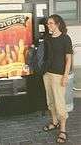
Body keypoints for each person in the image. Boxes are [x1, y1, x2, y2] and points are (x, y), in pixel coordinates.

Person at [43, 14, 73, 144]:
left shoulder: (65, 39)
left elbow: (68, 59)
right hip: (47, 74)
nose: (48, 25)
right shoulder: (48, 38)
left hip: (59, 75)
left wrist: (65, 75)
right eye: (47, 23)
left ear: (58, 24)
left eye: (50, 23)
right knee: (50, 101)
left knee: (60, 103)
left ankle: (63, 129)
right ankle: (54, 122)